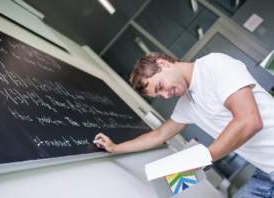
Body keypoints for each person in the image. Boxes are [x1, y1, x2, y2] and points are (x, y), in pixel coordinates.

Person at [95, 52, 274, 197]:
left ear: (163, 63)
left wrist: (201, 160)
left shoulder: (214, 65)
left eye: (160, 87)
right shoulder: (186, 104)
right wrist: (115, 148)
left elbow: (249, 121)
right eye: (159, 96)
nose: (166, 96)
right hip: (266, 172)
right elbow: (158, 135)